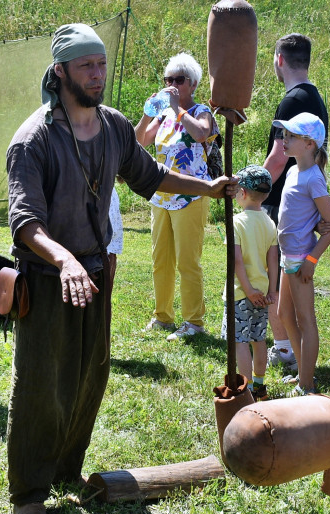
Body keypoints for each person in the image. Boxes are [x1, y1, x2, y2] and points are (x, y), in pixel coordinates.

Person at [5, 23, 237, 514]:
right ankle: (28, 492)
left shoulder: (111, 125)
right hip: (48, 281)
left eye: (102, 64)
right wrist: (62, 260)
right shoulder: (33, 140)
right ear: (60, 71)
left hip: (94, 274)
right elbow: (25, 223)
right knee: (43, 384)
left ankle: (67, 469)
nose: (97, 74)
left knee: (90, 376)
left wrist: (207, 187)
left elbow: (149, 177)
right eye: (87, 66)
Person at [134, 53, 217, 340]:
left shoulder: (200, 111)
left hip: (191, 196)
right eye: (168, 80)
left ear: (192, 84)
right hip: (161, 195)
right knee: (161, 259)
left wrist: (179, 110)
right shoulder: (163, 114)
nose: (172, 85)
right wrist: (148, 112)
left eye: (178, 80)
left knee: (187, 261)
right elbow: (138, 141)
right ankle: (163, 316)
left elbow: (202, 135)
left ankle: (194, 322)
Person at [261, 33, 329, 371]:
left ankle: (286, 352)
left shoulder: (291, 100)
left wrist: (250, 190)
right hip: (295, 211)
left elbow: (275, 161)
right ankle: (294, 358)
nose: (286, 139)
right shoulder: (314, 97)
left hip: (284, 213)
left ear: (279, 60)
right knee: (284, 297)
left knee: (274, 286)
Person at [272, 113, 330, 396]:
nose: (284, 140)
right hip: (288, 256)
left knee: (305, 319)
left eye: (291, 136)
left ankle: (307, 385)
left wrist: (312, 260)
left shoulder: (313, 179)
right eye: (284, 135)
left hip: (300, 260)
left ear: (310, 144)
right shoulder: (292, 172)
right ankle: (303, 373)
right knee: (283, 313)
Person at [221, 165, 278, 401]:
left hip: (240, 293)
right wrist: (271, 290)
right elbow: (273, 260)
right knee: (258, 339)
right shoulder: (269, 223)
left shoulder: (236, 222)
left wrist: (247, 290)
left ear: (242, 193)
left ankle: (245, 393)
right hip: (263, 294)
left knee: (240, 342)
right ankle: (260, 386)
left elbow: (236, 260)